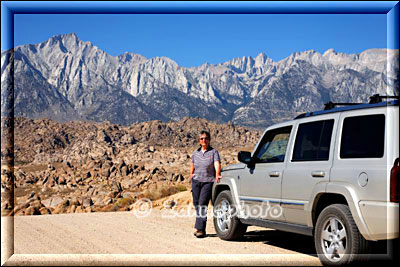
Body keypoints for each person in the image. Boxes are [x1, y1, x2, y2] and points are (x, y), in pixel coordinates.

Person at [190, 130, 222, 238]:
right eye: (202, 139)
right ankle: (201, 227)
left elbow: (217, 164)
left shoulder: (213, 152)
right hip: (196, 181)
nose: (204, 140)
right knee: (196, 204)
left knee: (202, 204)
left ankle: (200, 229)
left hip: (208, 181)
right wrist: (191, 174)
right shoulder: (195, 153)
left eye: (206, 138)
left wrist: (217, 174)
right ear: (199, 141)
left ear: (209, 140)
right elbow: (192, 164)